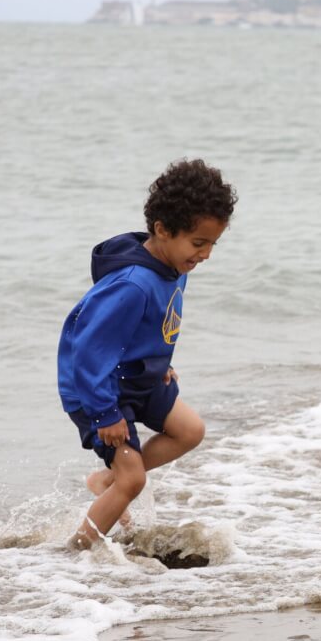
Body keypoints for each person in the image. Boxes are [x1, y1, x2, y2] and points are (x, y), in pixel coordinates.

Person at [58, 159, 237, 550]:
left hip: (140, 378)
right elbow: (88, 351)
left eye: (212, 244)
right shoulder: (133, 285)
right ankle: (75, 554)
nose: (205, 254)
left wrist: (161, 362)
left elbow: (146, 328)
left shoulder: (175, 267)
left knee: (190, 431)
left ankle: (106, 481)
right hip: (99, 391)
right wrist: (105, 413)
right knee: (134, 480)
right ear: (162, 230)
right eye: (198, 243)